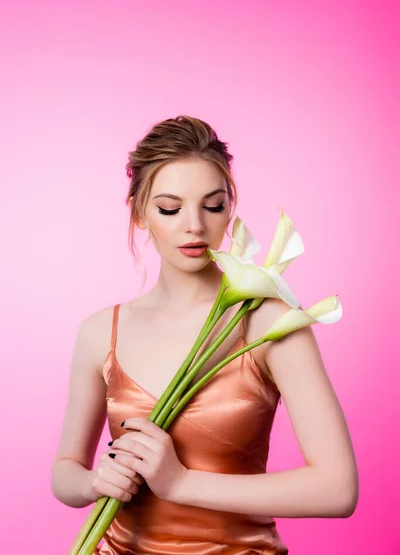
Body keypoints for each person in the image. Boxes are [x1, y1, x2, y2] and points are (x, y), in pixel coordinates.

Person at [51, 115, 359, 554]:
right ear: (139, 212)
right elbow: (65, 471)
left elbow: (337, 489)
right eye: (170, 209)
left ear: (229, 210)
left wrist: (180, 483)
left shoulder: (268, 323)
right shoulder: (102, 332)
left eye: (212, 206)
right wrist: (92, 481)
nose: (194, 225)